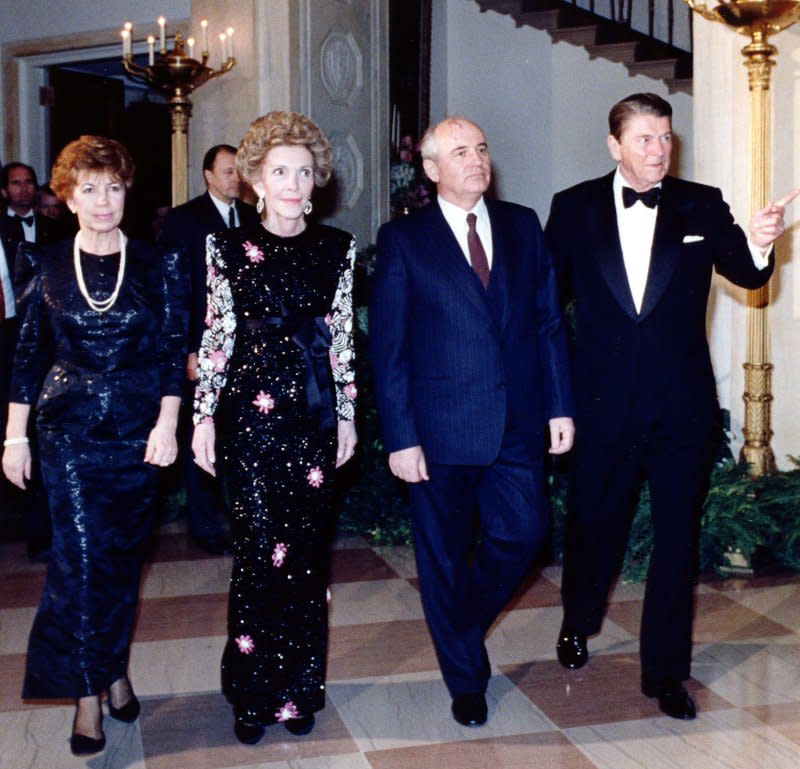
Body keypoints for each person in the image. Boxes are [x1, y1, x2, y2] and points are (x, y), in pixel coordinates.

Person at [545, 92, 798, 720]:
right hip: (601, 404)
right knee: (592, 524)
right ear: (615, 146)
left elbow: (746, 273)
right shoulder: (573, 208)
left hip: (681, 406)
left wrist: (762, 243)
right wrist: (553, 401)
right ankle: (577, 619)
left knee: (676, 540)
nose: (659, 151)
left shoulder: (700, 203)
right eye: (644, 140)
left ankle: (665, 672)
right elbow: (543, 310)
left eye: (665, 138)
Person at [369, 117, 574, 727]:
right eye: (460, 152)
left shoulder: (522, 225)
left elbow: (546, 323)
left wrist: (560, 405)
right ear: (431, 170)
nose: (477, 159)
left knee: (525, 532)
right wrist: (401, 438)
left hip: (517, 418)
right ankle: (466, 678)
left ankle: (457, 626)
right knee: (442, 555)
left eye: (482, 147)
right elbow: (390, 348)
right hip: (437, 431)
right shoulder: (404, 239)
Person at [1, 135, 187, 756]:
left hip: (137, 438)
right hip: (67, 435)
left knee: (121, 567)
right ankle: (88, 697)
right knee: (78, 565)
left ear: (126, 191)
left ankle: (114, 671)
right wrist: (13, 436)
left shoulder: (156, 262)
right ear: (68, 196)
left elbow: (169, 356)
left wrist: (167, 426)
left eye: (112, 186)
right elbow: (28, 355)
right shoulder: (46, 264)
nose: (102, 199)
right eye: (88, 188)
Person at [192, 111, 357, 744]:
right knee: (260, 553)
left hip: (312, 417)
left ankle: (298, 687)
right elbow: (216, 338)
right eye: (279, 171)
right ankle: (252, 688)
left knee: (308, 557)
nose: (293, 183)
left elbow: (340, 337)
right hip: (249, 419)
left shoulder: (336, 248)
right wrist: (203, 417)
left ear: (317, 182)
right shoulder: (226, 248)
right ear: (256, 179)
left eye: (304, 172)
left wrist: (346, 415)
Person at [160, 145, 261, 554]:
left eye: (239, 172)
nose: (236, 178)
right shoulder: (183, 221)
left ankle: (241, 519)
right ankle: (204, 526)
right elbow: (175, 291)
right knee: (202, 435)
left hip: (247, 345)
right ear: (208, 175)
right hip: (202, 346)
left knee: (241, 436)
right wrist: (187, 349)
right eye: (228, 171)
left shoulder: (254, 217)